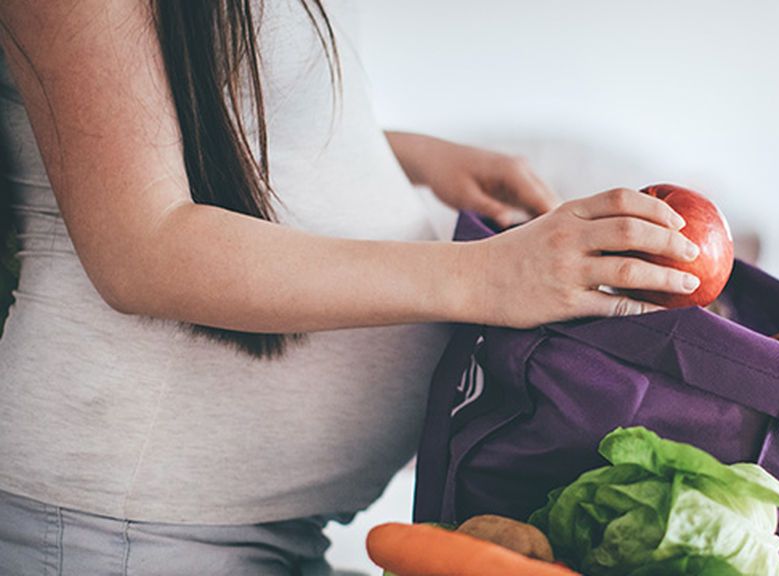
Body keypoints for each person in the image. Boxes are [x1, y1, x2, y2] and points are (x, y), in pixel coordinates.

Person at [0, 1, 701, 573]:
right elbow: (140, 247)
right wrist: (491, 276)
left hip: (246, 526)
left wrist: (405, 155)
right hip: (134, 530)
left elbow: (200, 115)